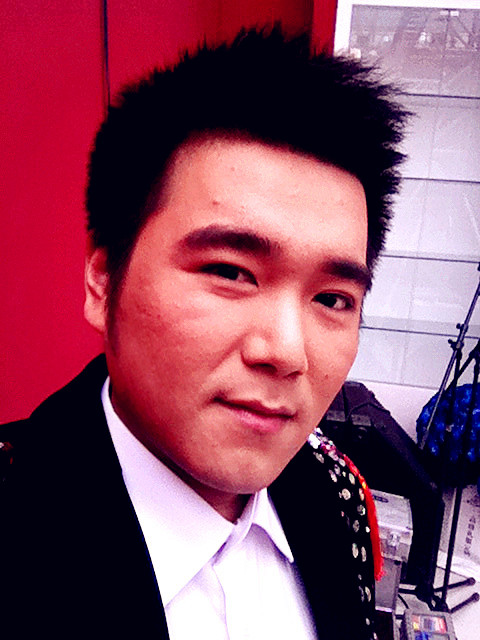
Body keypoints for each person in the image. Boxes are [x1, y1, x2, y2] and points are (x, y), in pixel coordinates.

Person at [0, 27, 407, 640]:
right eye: (229, 272)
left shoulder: (336, 493)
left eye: (332, 299)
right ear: (103, 280)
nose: (286, 352)